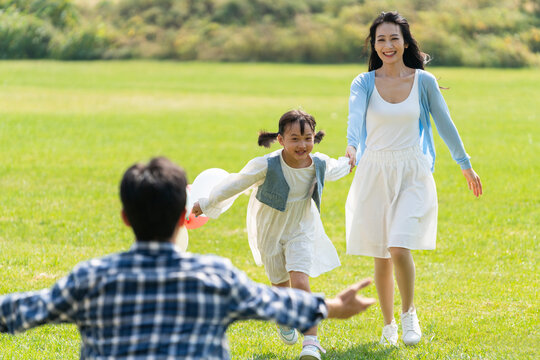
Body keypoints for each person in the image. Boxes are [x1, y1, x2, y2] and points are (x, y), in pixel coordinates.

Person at [0, 156, 375, 359]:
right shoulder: (214, 277)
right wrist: (332, 306)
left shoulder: (92, 278)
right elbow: (276, 302)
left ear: (125, 218)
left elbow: (21, 310)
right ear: (186, 216)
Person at [344, 11, 482, 347]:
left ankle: (409, 315)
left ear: (405, 42)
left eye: (394, 38)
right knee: (381, 254)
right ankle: (388, 325)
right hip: (374, 172)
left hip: (412, 172)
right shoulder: (363, 83)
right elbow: (355, 118)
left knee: (398, 245)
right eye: (381, 40)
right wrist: (350, 149)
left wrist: (465, 164)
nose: (388, 45)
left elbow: (445, 123)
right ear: (373, 46)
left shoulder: (424, 81)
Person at [192, 109, 351, 360]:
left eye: (307, 138)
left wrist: (352, 159)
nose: (302, 145)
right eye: (295, 138)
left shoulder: (318, 163)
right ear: (280, 139)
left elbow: (337, 168)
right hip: (270, 230)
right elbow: (234, 184)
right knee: (280, 286)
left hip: (301, 228)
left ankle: (311, 342)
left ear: (314, 137)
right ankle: (284, 317)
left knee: (300, 282)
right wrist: (206, 202)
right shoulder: (265, 165)